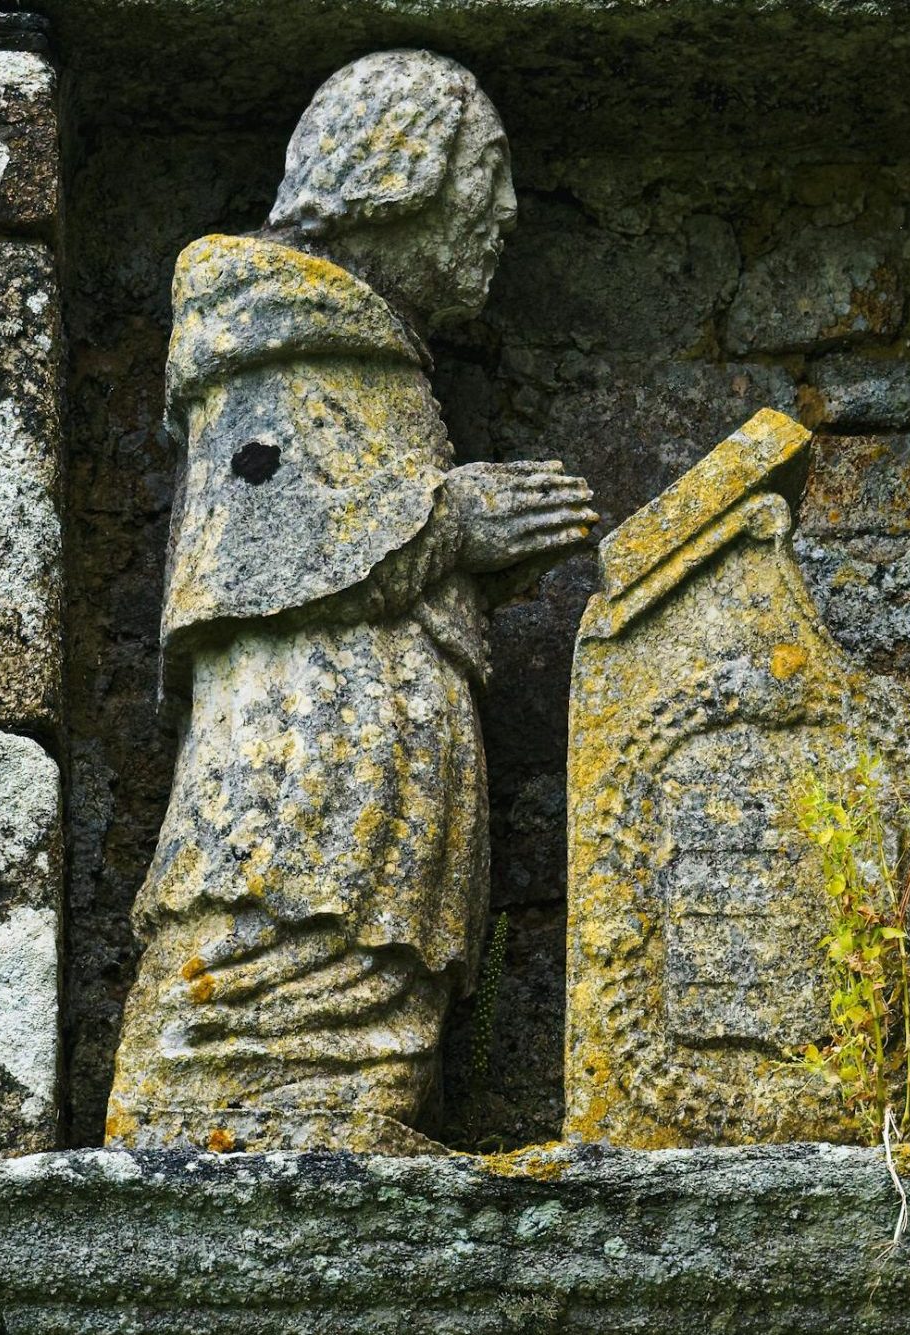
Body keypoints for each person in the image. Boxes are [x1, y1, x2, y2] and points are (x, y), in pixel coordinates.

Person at [106, 50, 596, 1153]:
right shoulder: (271, 328)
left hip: (377, 726)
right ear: (402, 175)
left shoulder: (359, 346)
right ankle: (217, 1110)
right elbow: (250, 554)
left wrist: (459, 549)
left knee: (370, 955)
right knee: (277, 922)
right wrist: (447, 523)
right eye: (488, 171)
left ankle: (345, 1113)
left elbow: (338, 524)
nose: (507, 210)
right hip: (308, 730)